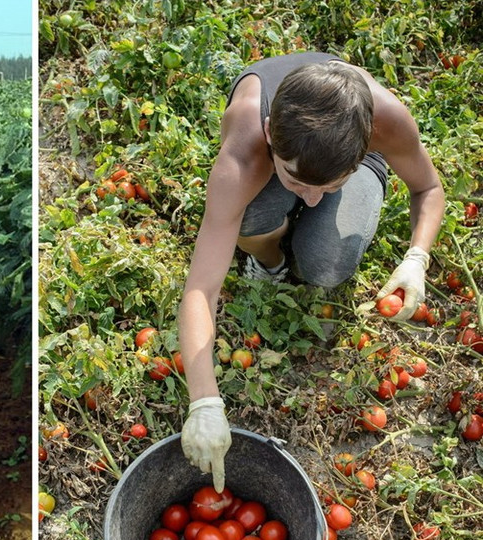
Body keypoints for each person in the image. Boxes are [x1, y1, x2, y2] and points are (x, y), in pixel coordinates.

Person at [177, 52, 444, 492]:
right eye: (299, 183)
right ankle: (270, 258)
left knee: (327, 263)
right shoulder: (245, 148)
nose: (313, 199)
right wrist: (204, 400)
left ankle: (321, 187)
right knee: (248, 218)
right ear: (269, 133)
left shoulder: (386, 121)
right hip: (266, 161)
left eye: (330, 187)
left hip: (327, 156)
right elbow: (200, 290)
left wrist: (417, 258)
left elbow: (428, 187)